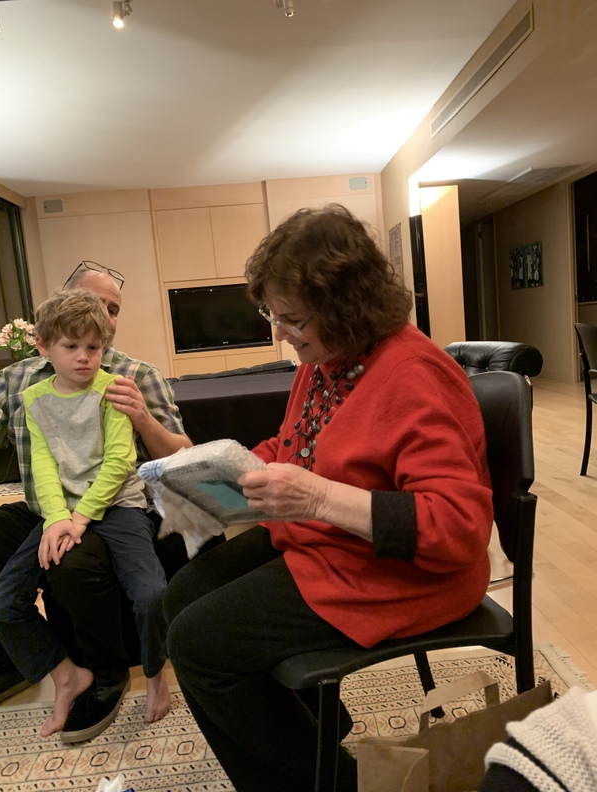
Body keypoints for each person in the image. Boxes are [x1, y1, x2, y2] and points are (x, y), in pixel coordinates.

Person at [162, 204, 495, 792]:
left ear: (346, 305)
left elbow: (458, 527)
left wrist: (317, 499)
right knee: (181, 596)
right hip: (332, 543)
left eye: (292, 319)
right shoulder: (329, 359)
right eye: (273, 315)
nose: (279, 333)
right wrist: (230, 469)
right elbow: (300, 443)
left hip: (406, 572)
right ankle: (317, 739)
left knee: (197, 645)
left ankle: (332, 783)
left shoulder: (415, 375)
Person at [0, 261, 197, 740]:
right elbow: (43, 465)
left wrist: (77, 518)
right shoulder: (24, 387)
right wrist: (56, 517)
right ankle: (57, 673)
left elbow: (161, 456)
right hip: (50, 505)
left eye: (111, 312)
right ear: (45, 340)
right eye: (90, 305)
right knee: (5, 595)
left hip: (115, 504)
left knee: (106, 574)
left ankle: (130, 671)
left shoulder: (126, 378)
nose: (101, 319)